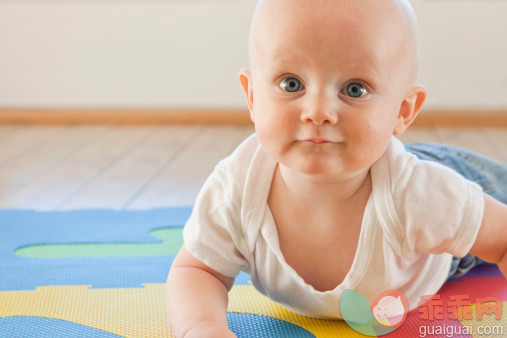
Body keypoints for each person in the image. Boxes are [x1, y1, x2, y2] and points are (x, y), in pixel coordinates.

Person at [166, 0, 507, 337]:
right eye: (291, 84)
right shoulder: (236, 190)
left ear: (402, 111)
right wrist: (202, 328)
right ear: (252, 96)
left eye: (354, 89)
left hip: (437, 190)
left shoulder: (421, 196)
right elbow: (197, 269)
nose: (318, 111)